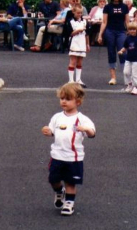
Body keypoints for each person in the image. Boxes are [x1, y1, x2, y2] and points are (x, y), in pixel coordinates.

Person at [41, 83, 96, 216]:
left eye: (68, 99)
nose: (64, 101)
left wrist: (86, 129)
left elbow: (92, 133)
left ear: (78, 102)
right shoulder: (57, 117)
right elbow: (52, 132)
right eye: (62, 98)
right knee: (53, 179)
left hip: (73, 157)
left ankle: (69, 203)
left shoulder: (82, 119)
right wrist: (47, 131)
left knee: (70, 182)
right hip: (57, 155)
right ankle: (59, 192)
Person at [97, 0, 130, 85]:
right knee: (111, 53)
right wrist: (100, 35)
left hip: (121, 32)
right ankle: (113, 77)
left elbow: (127, 22)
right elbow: (104, 22)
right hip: (110, 31)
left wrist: (131, 33)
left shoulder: (124, 7)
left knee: (122, 52)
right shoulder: (107, 7)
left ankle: (126, 77)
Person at [67, 5, 90, 87]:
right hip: (74, 43)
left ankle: (78, 79)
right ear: (74, 12)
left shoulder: (85, 21)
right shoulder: (71, 21)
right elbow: (70, 33)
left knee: (80, 62)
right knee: (72, 61)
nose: (79, 14)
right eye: (78, 13)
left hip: (82, 43)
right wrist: (78, 31)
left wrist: (87, 44)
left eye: (81, 13)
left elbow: (87, 34)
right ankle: (71, 80)